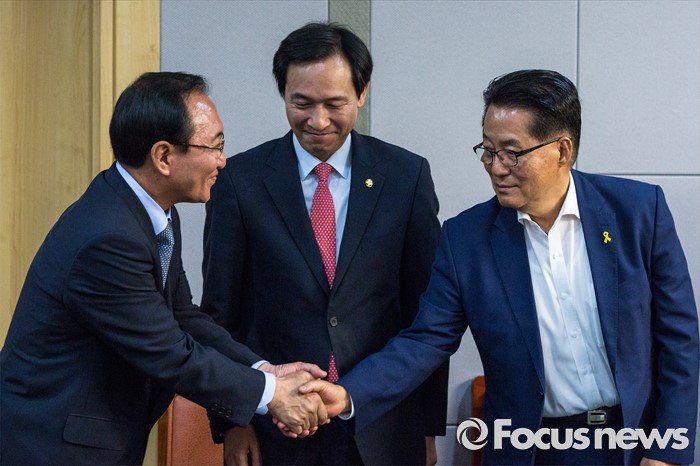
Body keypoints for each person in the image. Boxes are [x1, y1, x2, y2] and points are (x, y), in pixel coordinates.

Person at [300, 69, 699, 465]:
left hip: (634, 444)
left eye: (512, 153)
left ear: (562, 150)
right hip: (530, 450)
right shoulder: (467, 239)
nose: (496, 167)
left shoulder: (637, 213)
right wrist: (348, 394)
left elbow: (680, 340)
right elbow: (425, 341)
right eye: (488, 150)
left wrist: (666, 452)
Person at [0, 72, 329, 465]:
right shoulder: (109, 237)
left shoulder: (149, 212)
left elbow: (182, 316)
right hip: (51, 446)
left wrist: (264, 370)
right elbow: (170, 353)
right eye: (215, 146)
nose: (222, 161)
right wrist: (270, 394)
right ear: (163, 157)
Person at [201, 22, 448, 465]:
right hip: (275, 427)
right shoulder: (239, 181)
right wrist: (234, 423)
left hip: (383, 424)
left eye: (334, 104)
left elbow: (425, 315)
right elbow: (221, 313)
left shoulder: (405, 177)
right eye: (302, 103)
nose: (318, 121)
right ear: (283, 94)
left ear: (362, 93)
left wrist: (427, 429)